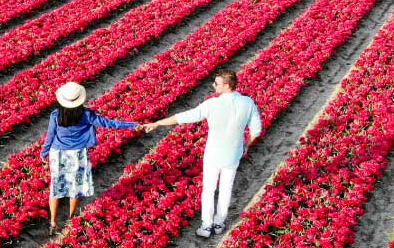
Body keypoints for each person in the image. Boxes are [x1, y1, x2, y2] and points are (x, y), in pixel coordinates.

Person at [142, 70, 262, 238]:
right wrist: (246, 145)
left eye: (216, 83)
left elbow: (185, 116)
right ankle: (219, 223)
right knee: (226, 188)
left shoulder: (212, 104)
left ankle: (207, 226)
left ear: (227, 86)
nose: (213, 85)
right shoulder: (247, 103)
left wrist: (157, 123)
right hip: (234, 153)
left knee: (209, 189)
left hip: (213, 153)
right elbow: (256, 129)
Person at [40, 81, 144, 235]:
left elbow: (50, 137)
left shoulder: (56, 115)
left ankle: (53, 223)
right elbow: (109, 124)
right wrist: (132, 125)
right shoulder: (87, 115)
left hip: (58, 154)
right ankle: (70, 219)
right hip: (78, 154)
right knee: (75, 189)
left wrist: (44, 153)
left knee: (56, 187)